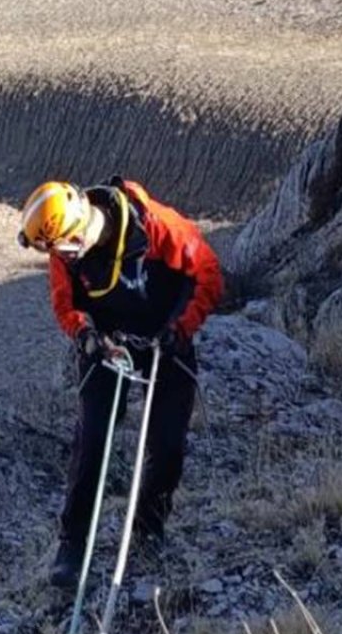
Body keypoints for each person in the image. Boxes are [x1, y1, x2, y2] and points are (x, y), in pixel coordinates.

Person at [16, 176, 224, 587]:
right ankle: (73, 545)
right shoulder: (64, 248)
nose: (56, 258)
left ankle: (148, 529)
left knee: (167, 447)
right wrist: (85, 334)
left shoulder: (154, 227)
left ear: (78, 233)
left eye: (58, 249)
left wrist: (180, 328)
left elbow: (207, 273)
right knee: (93, 439)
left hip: (165, 338)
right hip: (107, 345)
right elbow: (65, 302)